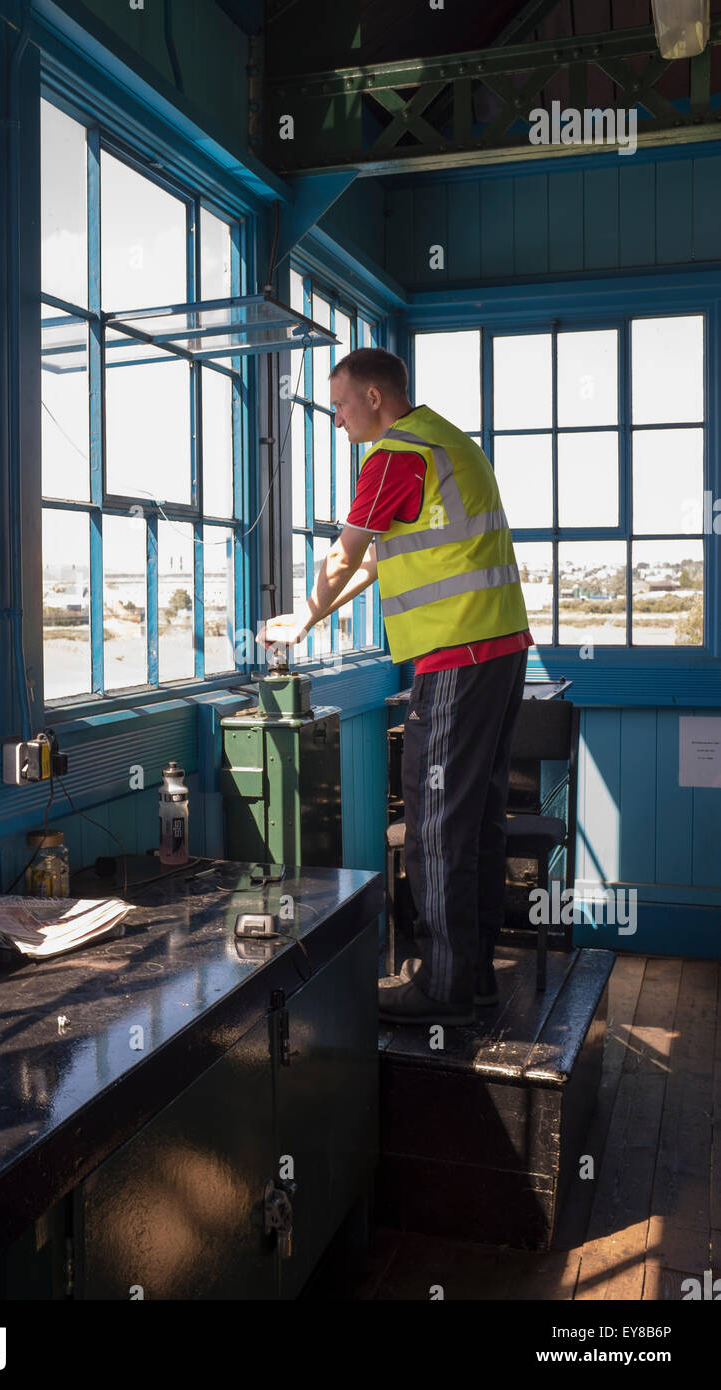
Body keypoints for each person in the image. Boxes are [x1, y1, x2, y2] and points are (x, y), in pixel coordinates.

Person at [257, 347, 532, 1026]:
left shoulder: (394, 455)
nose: (338, 419)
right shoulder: (441, 444)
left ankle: (444, 991)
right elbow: (382, 560)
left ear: (374, 398)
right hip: (498, 652)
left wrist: (299, 620)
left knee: (435, 824)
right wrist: (313, 615)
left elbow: (346, 550)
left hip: (456, 656)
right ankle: (474, 977)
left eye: (342, 404)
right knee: (476, 818)